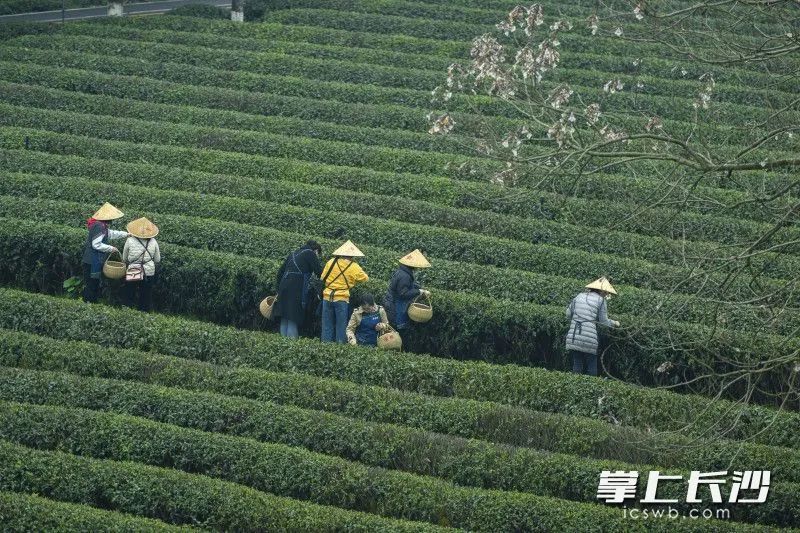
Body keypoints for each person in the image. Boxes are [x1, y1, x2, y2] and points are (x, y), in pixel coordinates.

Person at [565, 277, 621, 377]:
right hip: (589, 338)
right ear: (601, 290)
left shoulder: (579, 296)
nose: (607, 295)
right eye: (606, 292)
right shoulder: (601, 301)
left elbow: (568, 314)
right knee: (592, 366)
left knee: (577, 365)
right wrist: (615, 323)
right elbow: (604, 322)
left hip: (574, 336)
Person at [320, 240, 369, 343]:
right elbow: (365, 278)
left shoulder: (331, 261)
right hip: (341, 298)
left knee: (326, 325)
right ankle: (339, 349)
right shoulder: (354, 266)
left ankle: (324, 347)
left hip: (327, 296)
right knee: (341, 326)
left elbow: (322, 277)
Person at [274, 240, 323, 339]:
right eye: (318, 254)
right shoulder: (310, 253)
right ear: (316, 250)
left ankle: (282, 342)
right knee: (293, 316)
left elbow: (280, 273)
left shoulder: (293, 253)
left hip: (284, 286)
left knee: (285, 316)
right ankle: (292, 344)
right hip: (296, 288)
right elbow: (319, 272)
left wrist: (278, 290)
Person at [81, 202, 129, 303]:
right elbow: (96, 244)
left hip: (93, 260)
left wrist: (126, 234)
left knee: (93, 283)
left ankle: (90, 303)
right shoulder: (99, 226)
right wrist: (111, 248)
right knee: (92, 284)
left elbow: (111, 234)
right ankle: (88, 304)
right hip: (92, 260)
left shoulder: (101, 225)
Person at [384, 249, 431, 331]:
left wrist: (420, 288)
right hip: (396, 306)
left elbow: (410, 284)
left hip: (394, 303)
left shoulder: (404, 271)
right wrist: (419, 292)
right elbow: (403, 293)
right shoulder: (404, 276)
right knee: (398, 329)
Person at [122, 217, 161, 312]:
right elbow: (157, 259)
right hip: (148, 271)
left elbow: (124, 258)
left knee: (130, 293)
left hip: (134, 269)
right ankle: (143, 313)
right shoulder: (153, 241)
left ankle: (127, 312)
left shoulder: (130, 240)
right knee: (146, 295)